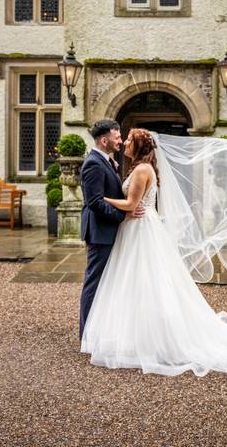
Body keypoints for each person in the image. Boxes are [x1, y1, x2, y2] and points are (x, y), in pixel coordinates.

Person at [80, 128, 227, 376]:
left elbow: (131, 205)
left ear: (138, 147)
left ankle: (152, 338)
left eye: (129, 140)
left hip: (141, 229)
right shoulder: (138, 168)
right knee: (135, 282)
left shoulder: (141, 170)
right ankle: (133, 333)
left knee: (144, 281)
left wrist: (101, 200)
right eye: (123, 138)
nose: (124, 143)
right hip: (135, 228)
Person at [77, 119, 144, 339]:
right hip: (100, 231)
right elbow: (94, 202)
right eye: (116, 138)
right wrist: (122, 215)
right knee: (94, 282)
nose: (120, 142)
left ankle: (101, 328)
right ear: (104, 140)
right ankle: (86, 333)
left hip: (108, 229)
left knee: (107, 281)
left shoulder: (106, 161)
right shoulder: (93, 164)